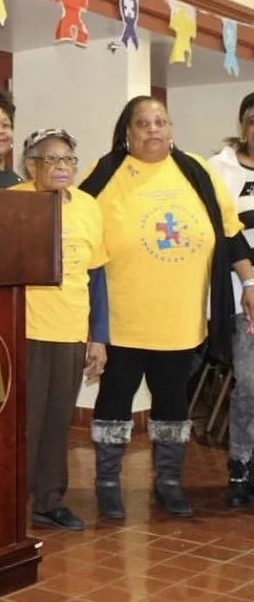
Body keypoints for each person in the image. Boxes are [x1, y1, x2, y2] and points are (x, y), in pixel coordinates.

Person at [79, 95, 254, 520]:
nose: (153, 129)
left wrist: (249, 281)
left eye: (161, 121)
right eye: (143, 123)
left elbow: (229, 232)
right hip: (122, 322)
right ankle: (107, 484)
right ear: (127, 132)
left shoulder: (195, 171)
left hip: (181, 321)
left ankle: (169, 482)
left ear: (171, 128)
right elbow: (72, 224)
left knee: (173, 406)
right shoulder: (106, 172)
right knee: (114, 404)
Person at [14, 129, 108, 531]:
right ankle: (7, 505)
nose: (61, 167)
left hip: (71, 330)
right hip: (26, 330)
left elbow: (97, 275)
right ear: (31, 165)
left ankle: (48, 502)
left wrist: (98, 336)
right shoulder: (11, 202)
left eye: (68, 159)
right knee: (24, 424)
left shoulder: (88, 206)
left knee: (57, 422)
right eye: (51, 159)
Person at [207, 91, 254, 507]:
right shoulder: (218, 168)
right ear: (243, 125)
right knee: (250, 385)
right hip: (244, 297)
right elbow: (219, 230)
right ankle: (240, 465)